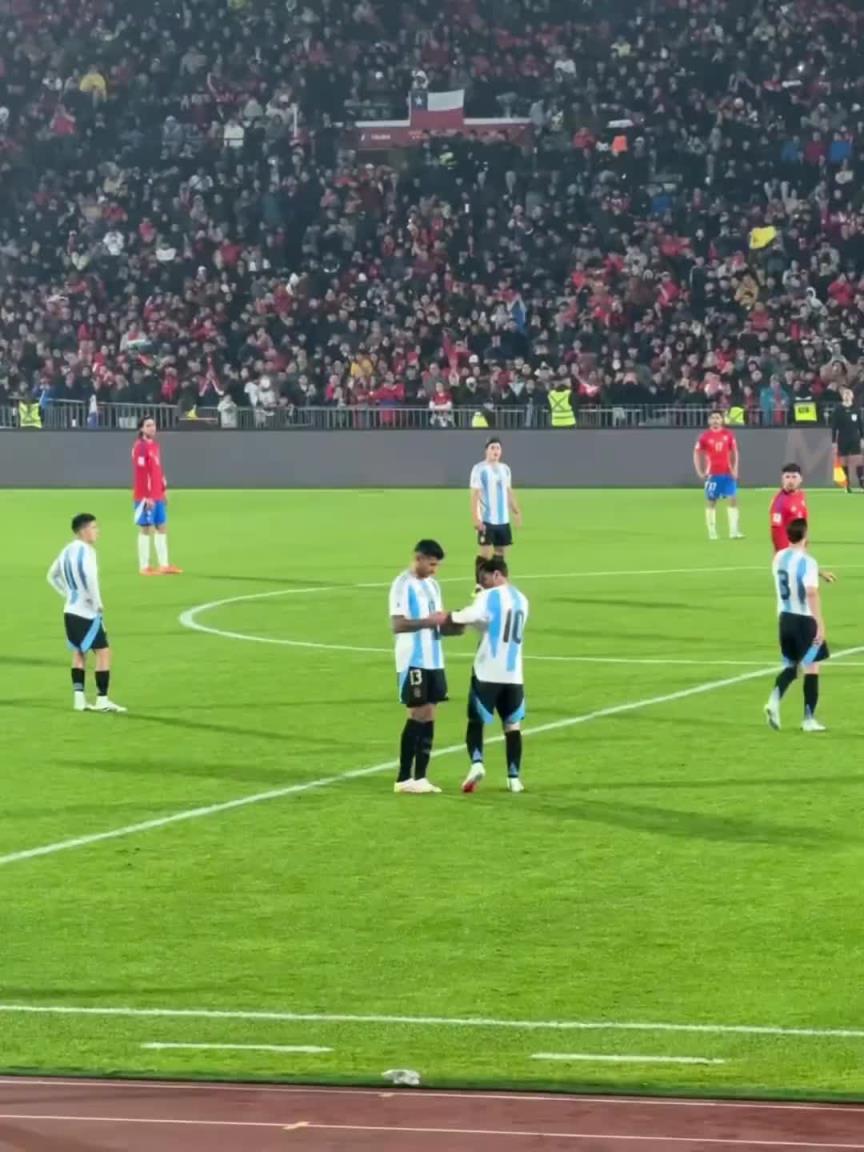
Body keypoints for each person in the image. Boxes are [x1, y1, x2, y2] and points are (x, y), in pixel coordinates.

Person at [450, 556, 529, 794]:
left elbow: (470, 616)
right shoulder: (522, 599)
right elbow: (491, 623)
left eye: (485, 579)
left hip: (487, 671)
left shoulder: (489, 596)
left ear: (497, 575)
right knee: (512, 725)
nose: (483, 584)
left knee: (476, 721)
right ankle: (514, 778)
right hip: (513, 675)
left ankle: (477, 763)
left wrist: (450, 616)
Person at [388, 539, 451, 794]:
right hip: (413, 658)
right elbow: (397, 624)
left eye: (437, 565)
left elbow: (438, 622)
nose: (434, 570)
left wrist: (454, 624)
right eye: (431, 564)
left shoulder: (433, 585)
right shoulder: (402, 585)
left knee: (430, 714)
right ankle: (404, 778)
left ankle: (421, 777)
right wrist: (428, 621)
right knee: (417, 714)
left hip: (435, 658)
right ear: (419, 558)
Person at [46, 513, 126, 713]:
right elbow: (90, 578)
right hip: (87, 612)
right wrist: (97, 602)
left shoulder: (66, 550)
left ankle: (79, 700)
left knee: (79, 652)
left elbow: (51, 576)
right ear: (83, 531)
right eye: (94, 527)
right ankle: (102, 700)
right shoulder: (88, 552)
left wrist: (68, 594)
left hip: (70, 611)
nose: (97, 531)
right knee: (103, 652)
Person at [765, 519, 830, 733]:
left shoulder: (779, 557)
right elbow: (811, 592)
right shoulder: (808, 562)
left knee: (792, 667)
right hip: (804, 621)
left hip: (785, 619)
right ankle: (808, 719)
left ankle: (774, 701)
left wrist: (820, 572)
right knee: (812, 667)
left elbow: (793, 569)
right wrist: (819, 623)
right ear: (805, 536)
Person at [132, 416, 183, 576]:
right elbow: (142, 473)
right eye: (148, 425)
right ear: (141, 429)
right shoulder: (140, 447)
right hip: (145, 495)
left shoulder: (154, 445)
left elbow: (157, 470)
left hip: (157, 494)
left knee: (161, 526)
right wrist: (146, 496)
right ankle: (144, 566)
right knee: (145, 528)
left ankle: (164, 565)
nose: (152, 428)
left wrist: (162, 490)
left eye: (153, 425)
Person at [470, 437, 522, 587]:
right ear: (486, 450)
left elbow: (508, 490)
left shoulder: (505, 469)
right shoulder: (479, 469)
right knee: (485, 555)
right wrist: (476, 518)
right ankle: (479, 586)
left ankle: (498, 584)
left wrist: (516, 511)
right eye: (492, 448)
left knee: (500, 555)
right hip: (487, 520)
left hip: (503, 521)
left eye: (498, 448)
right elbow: (474, 494)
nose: (495, 451)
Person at [692, 411, 743, 541]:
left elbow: (735, 452)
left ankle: (734, 531)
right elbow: (696, 453)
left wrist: (735, 469)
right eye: (713, 418)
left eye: (718, 418)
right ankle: (712, 532)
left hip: (727, 473)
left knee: (732, 499)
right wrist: (699, 471)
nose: (715, 420)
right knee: (711, 501)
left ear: (722, 420)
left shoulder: (728, 435)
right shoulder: (704, 437)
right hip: (712, 474)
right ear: (709, 420)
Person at [830, 388, 864, 493]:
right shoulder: (838, 409)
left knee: (858, 461)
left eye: (849, 394)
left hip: (854, 438)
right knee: (844, 461)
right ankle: (847, 484)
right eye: (845, 394)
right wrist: (833, 441)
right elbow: (834, 427)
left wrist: (862, 438)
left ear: (852, 396)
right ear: (842, 396)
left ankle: (861, 482)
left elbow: (861, 425)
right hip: (843, 438)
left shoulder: (856, 409)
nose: (847, 395)